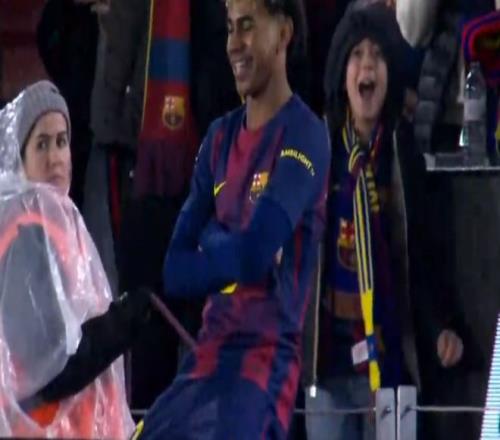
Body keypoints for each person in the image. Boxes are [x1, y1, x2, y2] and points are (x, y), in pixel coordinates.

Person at [133, 0, 329, 438]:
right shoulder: (218, 138)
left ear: (283, 34)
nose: (234, 44)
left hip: (263, 367)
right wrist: (237, 249)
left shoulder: (305, 134)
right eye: (229, 28)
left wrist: (212, 239)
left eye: (247, 26)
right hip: (205, 358)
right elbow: (174, 270)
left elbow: (253, 254)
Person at [302, 3, 466, 440]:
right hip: (328, 369)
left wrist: (441, 327)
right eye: (356, 55)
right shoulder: (316, 151)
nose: (367, 65)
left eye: (377, 55)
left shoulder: (403, 154)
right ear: (342, 73)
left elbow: (426, 256)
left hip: (393, 365)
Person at [0, 80, 150, 437]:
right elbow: (51, 367)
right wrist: (122, 323)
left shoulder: (57, 224)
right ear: (21, 158)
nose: (55, 157)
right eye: (41, 144)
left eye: (61, 141)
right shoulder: (26, 236)